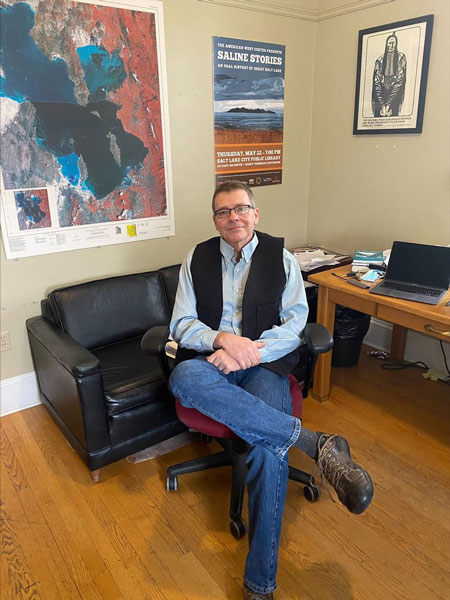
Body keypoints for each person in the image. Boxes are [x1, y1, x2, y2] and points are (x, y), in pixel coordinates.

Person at [169, 181, 374, 600]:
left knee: (266, 449)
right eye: (224, 212)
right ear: (215, 220)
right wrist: (223, 341)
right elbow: (181, 324)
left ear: (255, 213)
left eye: (241, 209)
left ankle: (259, 585)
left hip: (264, 367)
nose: (234, 218)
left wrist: (249, 351)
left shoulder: (281, 259)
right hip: (213, 365)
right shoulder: (197, 258)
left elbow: (295, 324)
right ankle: (317, 445)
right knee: (182, 378)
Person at [372, 32, 407, 118]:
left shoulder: (401, 58)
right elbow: (377, 84)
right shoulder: (379, 61)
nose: (390, 46)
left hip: (395, 95)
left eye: (393, 43)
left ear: (396, 44)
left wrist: (388, 105)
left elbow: (399, 83)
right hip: (381, 97)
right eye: (389, 43)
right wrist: (382, 105)